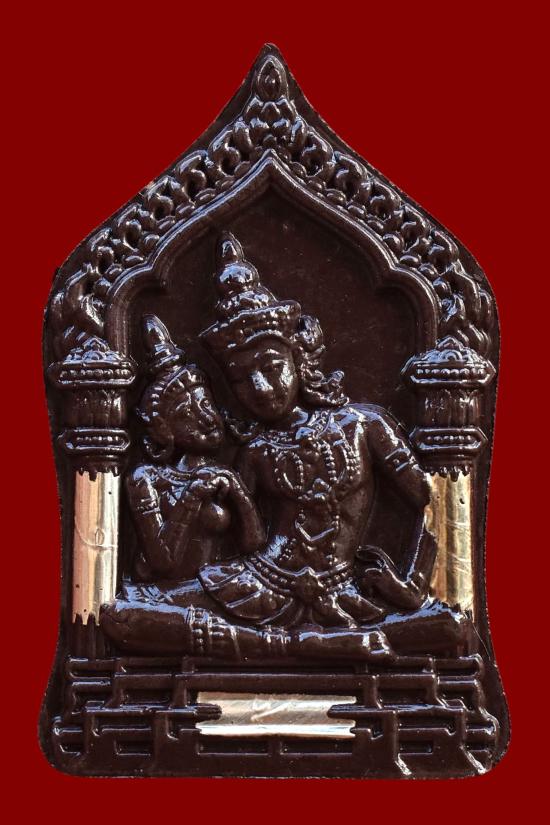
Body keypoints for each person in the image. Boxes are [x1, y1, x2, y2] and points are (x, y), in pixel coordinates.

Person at [101, 236, 466, 660]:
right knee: (125, 615)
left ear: (299, 358)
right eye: (242, 379)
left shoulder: (364, 425)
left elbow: (435, 499)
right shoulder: (255, 450)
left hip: (343, 589)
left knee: (450, 625)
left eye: (272, 368)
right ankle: (313, 645)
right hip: (261, 584)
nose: (260, 388)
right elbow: (249, 539)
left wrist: (413, 585)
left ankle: (291, 645)